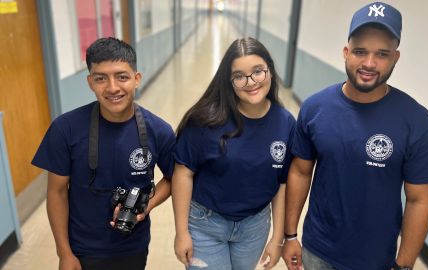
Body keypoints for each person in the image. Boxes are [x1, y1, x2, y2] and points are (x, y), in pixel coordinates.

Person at [282, 2, 428, 270]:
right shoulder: (314, 109)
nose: (369, 63)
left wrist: (403, 265)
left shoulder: (418, 122)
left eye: (382, 54)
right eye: (360, 51)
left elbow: (419, 199)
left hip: (375, 259)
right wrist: (289, 235)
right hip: (317, 249)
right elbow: (299, 172)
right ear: (346, 52)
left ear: (396, 57)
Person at [32, 37, 175, 270]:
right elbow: (56, 193)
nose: (112, 88)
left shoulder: (158, 130)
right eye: (101, 78)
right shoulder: (65, 128)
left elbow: (173, 178)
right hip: (82, 247)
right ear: (90, 82)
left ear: (136, 79)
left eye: (122, 76)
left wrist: (146, 205)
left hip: (133, 244)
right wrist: (64, 253)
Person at [172, 37, 295, 270]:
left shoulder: (285, 123)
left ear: (270, 71)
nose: (250, 82)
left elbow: (281, 183)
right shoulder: (205, 120)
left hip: (254, 227)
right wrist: (181, 232)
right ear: (229, 81)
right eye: (239, 76)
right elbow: (183, 172)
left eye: (258, 71)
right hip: (205, 224)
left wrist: (278, 238)